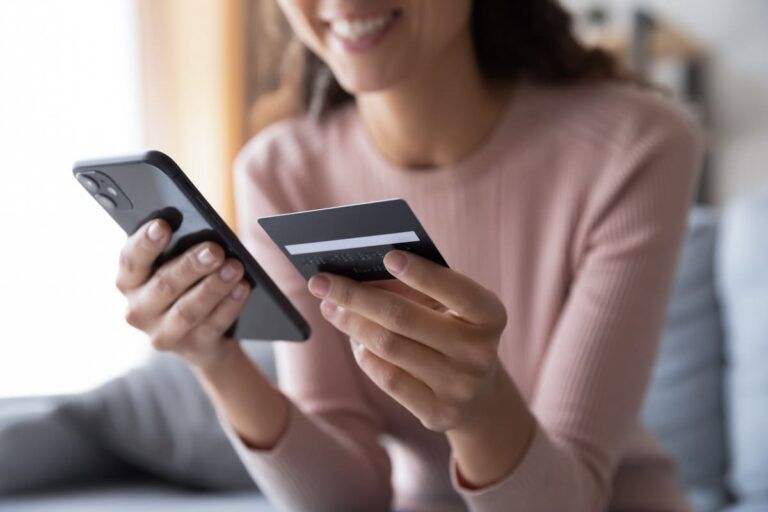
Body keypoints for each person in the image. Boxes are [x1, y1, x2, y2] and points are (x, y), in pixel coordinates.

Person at [114, 0, 702, 510]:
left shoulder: (636, 147)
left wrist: (479, 411)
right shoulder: (280, 171)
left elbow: (569, 500)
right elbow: (349, 499)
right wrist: (216, 362)